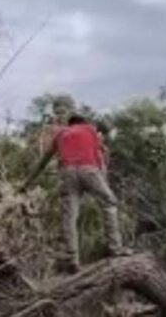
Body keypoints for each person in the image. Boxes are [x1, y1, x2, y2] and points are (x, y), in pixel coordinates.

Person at [22, 115, 129, 271]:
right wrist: (103, 180)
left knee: (69, 216)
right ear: (83, 123)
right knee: (109, 203)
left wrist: (27, 183)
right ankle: (115, 248)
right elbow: (100, 156)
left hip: (67, 173)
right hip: (90, 171)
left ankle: (72, 259)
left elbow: (43, 161)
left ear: (69, 124)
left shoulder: (60, 134)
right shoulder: (90, 129)